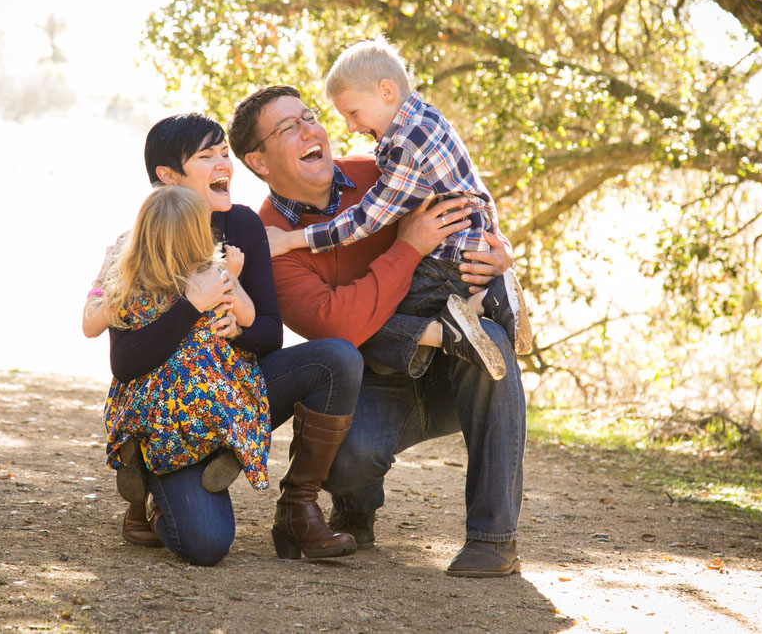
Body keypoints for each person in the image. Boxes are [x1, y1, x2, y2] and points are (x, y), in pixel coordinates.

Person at [229, 85, 529, 577]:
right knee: (344, 436)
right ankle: (355, 508)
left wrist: (500, 253)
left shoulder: (383, 175)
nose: (311, 129)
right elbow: (337, 325)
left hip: (453, 372)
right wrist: (408, 247)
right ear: (259, 162)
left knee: (491, 343)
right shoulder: (271, 242)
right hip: (374, 382)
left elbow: (464, 210)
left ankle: (494, 540)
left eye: (309, 116)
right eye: (288, 128)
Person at [84, 113, 363, 566]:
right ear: (168, 176)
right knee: (205, 545)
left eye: (224, 154)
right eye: (205, 156)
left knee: (337, 359)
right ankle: (152, 483)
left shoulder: (243, 227)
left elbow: (270, 331)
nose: (223, 166)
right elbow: (127, 363)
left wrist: (241, 329)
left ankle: (297, 508)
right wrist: (191, 306)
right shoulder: (140, 245)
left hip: (232, 387)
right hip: (168, 410)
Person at [265, 35, 532, 385]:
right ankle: (484, 300)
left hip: (446, 261)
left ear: (386, 91)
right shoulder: (427, 120)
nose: (351, 126)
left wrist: (289, 241)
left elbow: (362, 222)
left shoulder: (407, 145)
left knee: (371, 320)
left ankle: (450, 328)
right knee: (373, 315)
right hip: (466, 251)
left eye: (353, 113)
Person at [94, 185, 271, 503]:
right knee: (238, 400)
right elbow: (248, 315)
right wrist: (232, 278)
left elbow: (106, 329)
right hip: (201, 392)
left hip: (146, 401)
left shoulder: (130, 282)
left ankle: (131, 447)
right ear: (199, 236)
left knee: (156, 406)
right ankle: (230, 447)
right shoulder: (209, 277)